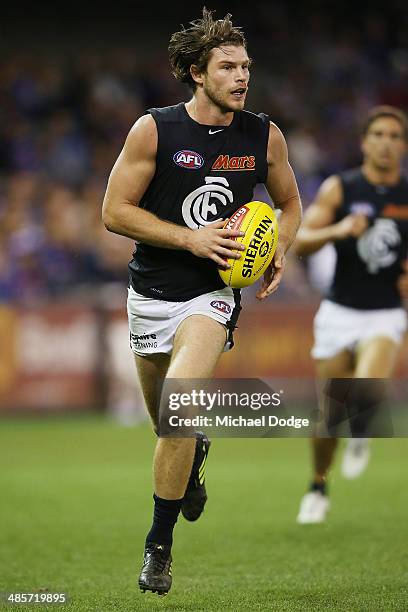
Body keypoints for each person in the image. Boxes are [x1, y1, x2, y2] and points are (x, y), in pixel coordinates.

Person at [102, 8, 302, 596]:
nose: (243, 77)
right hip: (149, 292)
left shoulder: (264, 135)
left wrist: (279, 248)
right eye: (228, 67)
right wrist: (190, 236)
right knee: (164, 419)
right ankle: (192, 458)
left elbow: (289, 204)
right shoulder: (154, 130)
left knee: (179, 409)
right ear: (196, 73)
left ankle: (157, 549)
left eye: (247, 66)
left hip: (211, 295)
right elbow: (114, 213)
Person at [294, 105, 408, 524]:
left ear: (403, 145)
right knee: (329, 416)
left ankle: (362, 432)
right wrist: (338, 230)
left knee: (369, 385)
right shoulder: (341, 188)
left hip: (385, 314)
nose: (386, 142)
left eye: (395, 135)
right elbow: (301, 242)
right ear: (364, 141)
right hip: (339, 312)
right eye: (378, 133)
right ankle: (318, 484)